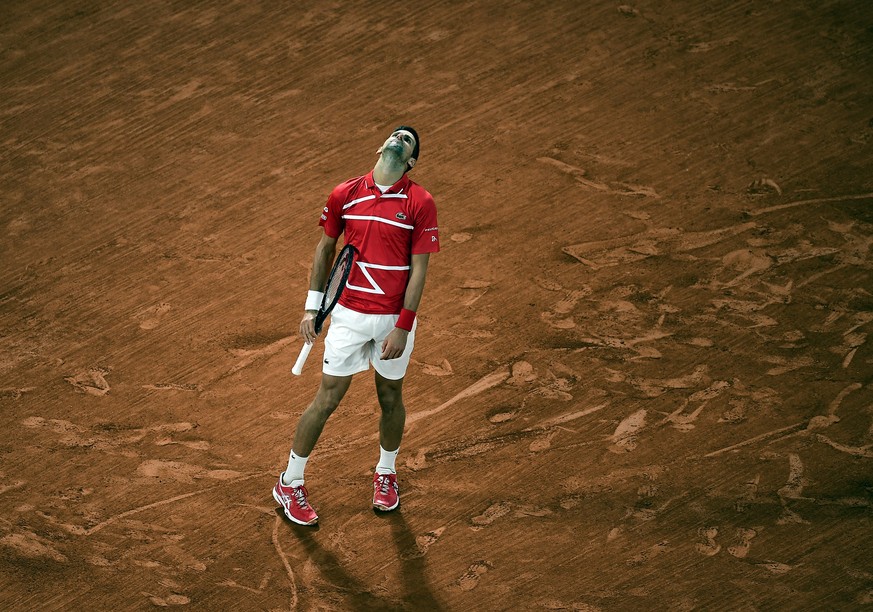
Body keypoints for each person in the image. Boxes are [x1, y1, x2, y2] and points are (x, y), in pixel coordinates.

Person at [273, 126, 439, 525]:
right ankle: (289, 482)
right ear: (382, 147)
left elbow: (419, 271)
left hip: (392, 321)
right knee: (327, 399)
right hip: (347, 315)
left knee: (390, 397)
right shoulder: (344, 193)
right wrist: (313, 308)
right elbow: (326, 248)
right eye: (396, 135)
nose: (400, 139)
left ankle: (386, 473)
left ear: (411, 161)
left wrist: (403, 325)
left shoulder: (420, 202)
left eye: (408, 140)